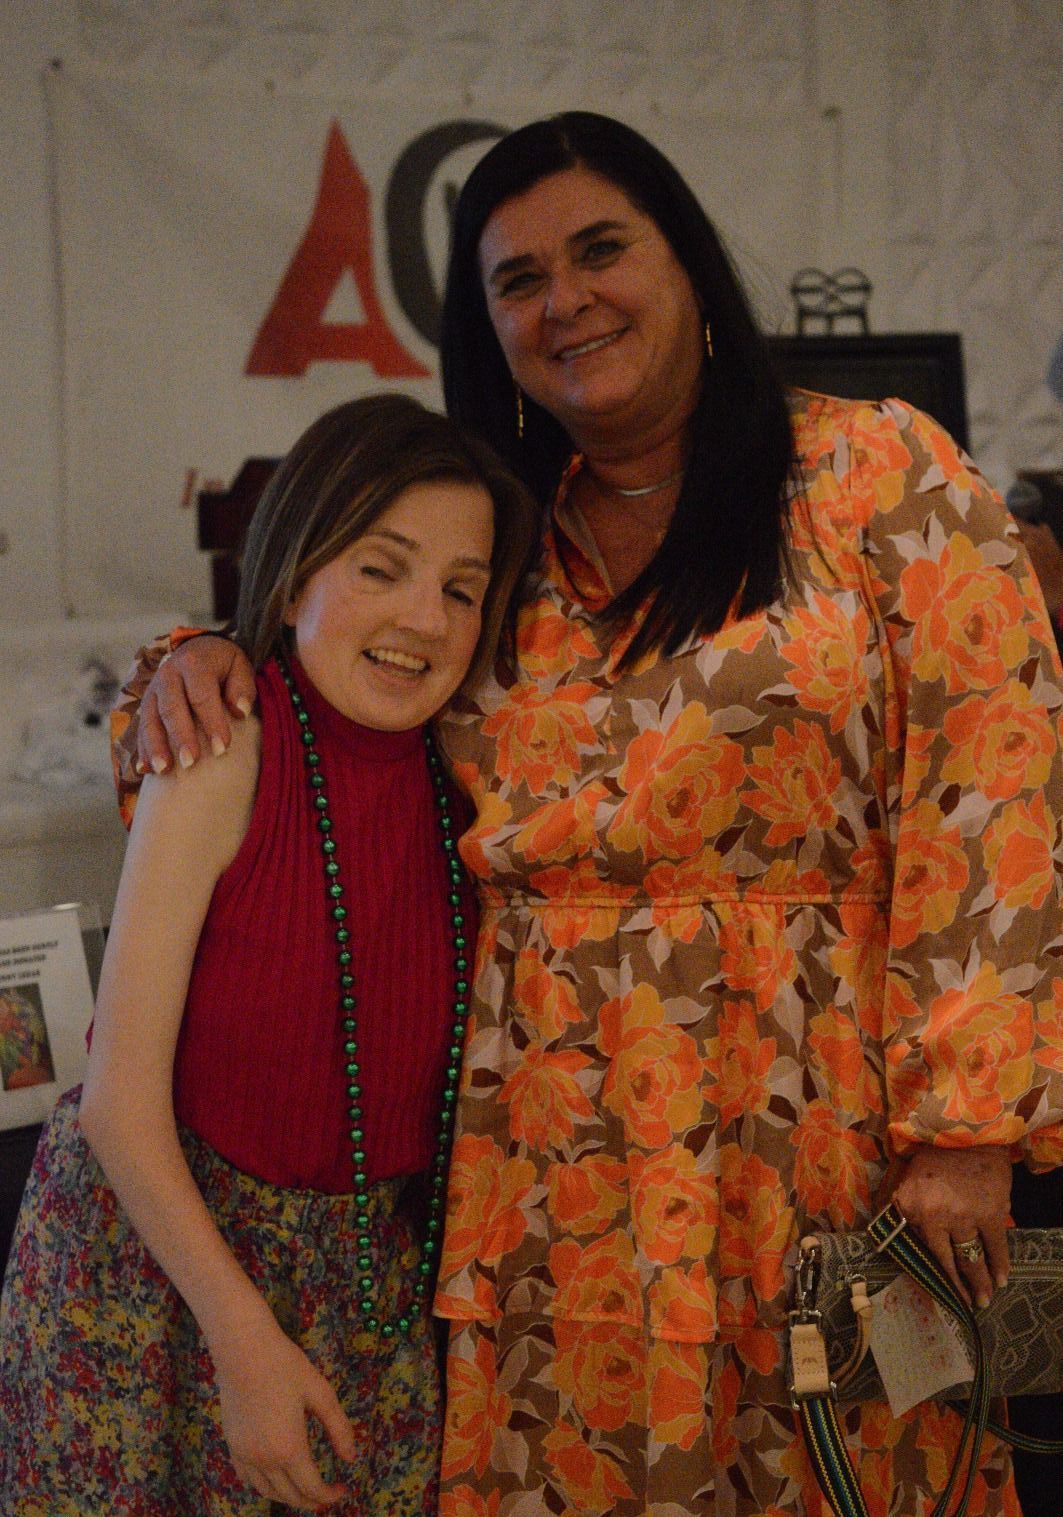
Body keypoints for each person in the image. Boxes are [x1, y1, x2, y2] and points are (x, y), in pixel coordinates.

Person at [110, 114, 1062, 1517]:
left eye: (600, 249)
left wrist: (968, 1126)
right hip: (545, 1143)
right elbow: (350, 643)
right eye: (517, 280)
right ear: (484, 329)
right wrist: (197, 654)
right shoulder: (497, 530)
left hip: (823, 1125)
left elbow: (991, 785)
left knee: (846, 1472)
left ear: (684, 263)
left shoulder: (875, 474)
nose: (566, 299)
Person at [0, 394, 538, 1516]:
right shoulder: (226, 737)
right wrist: (244, 1339)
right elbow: (116, 1103)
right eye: (381, 567)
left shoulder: (468, 781)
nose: (425, 619)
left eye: (460, 587)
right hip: (157, 1268)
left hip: (363, 1281)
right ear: (296, 573)